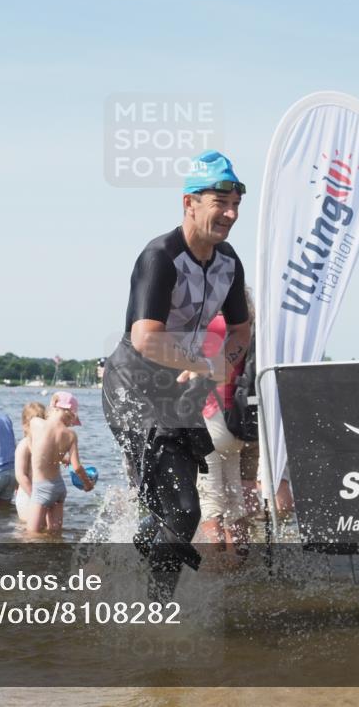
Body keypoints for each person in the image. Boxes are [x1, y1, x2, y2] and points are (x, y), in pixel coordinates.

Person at [102, 149, 250, 600]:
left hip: (175, 393)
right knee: (183, 509)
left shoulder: (229, 262)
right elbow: (146, 338)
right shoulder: (161, 256)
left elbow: (242, 329)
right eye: (219, 202)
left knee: (175, 511)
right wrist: (201, 364)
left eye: (236, 204)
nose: (230, 213)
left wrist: (219, 367)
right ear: (189, 202)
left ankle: (145, 586)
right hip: (131, 387)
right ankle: (155, 607)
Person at [193, 313, 249, 566]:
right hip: (237, 421)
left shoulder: (214, 325)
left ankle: (212, 569)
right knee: (234, 498)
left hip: (212, 416)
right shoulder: (245, 327)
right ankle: (238, 563)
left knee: (210, 499)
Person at [26, 392, 94, 534]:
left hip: (41, 488)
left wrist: (55, 457)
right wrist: (87, 484)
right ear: (70, 414)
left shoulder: (35, 423)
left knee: (32, 535)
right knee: (55, 534)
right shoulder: (70, 435)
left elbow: (33, 448)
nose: (71, 424)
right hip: (59, 489)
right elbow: (77, 467)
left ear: (53, 407)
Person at [14, 401, 47, 524]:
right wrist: (35, 497)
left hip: (41, 494)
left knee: (42, 527)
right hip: (27, 496)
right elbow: (20, 475)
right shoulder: (24, 446)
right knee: (28, 529)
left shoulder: (43, 445)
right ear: (25, 425)